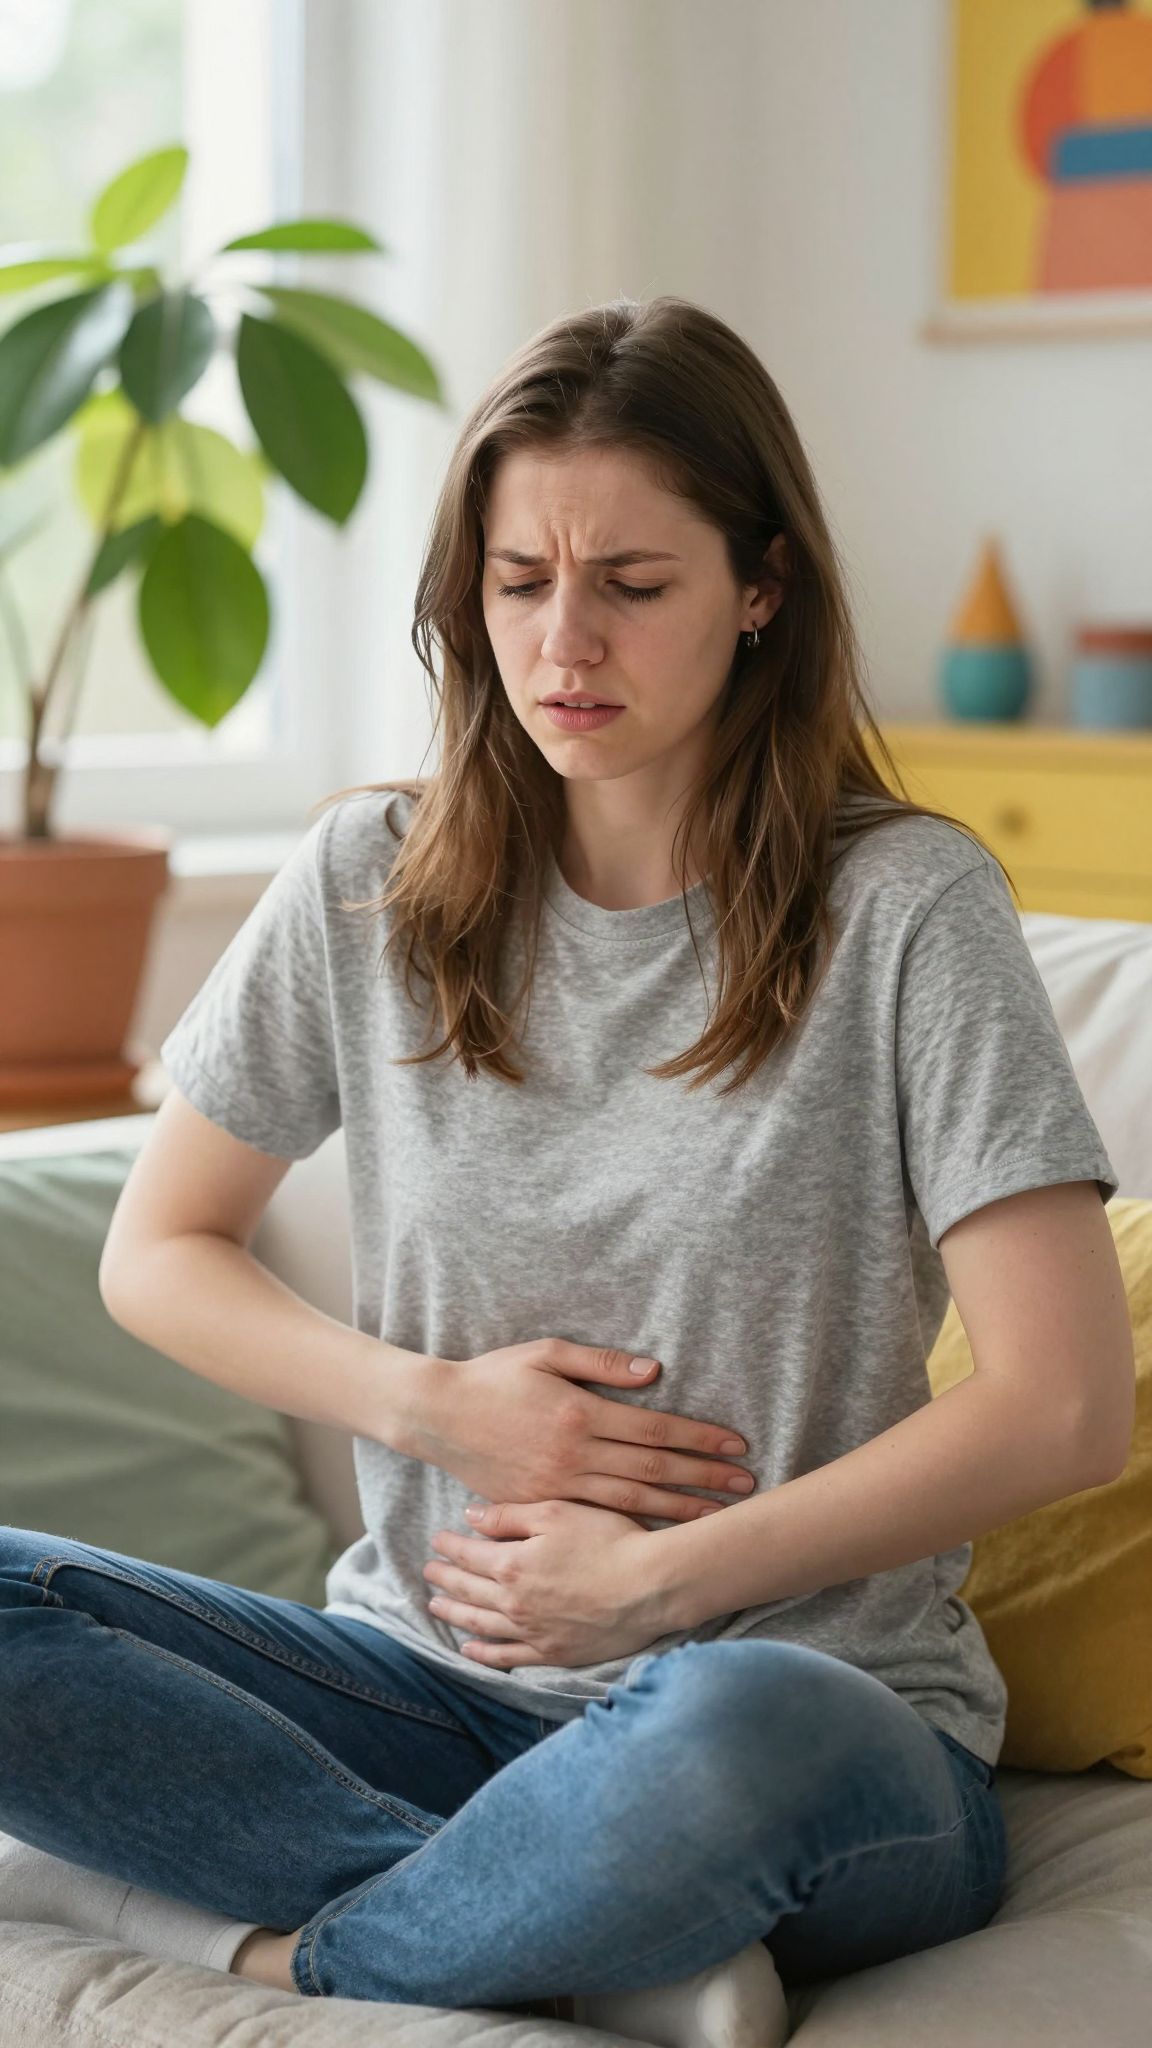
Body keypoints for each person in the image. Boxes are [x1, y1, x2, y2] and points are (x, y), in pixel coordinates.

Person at [0, 294, 1129, 2046]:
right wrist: (434, 1407)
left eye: (633, 582)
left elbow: (1065, 1405)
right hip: (426, 1689)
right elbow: (162, 1249)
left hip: (812, 1722)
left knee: (734, 1729)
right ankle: (564, 1916)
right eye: (519, 583)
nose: (564, 642)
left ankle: (307, 1946)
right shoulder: (367, 879)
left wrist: (665, 1583)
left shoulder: (911, 910)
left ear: (763, 588)